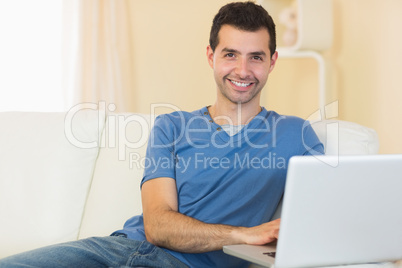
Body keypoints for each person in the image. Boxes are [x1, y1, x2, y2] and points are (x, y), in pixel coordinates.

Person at [0, 1, 323, 268]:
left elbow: (326, 217)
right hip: (114, 249)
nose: (242, 70)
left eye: (256, 57)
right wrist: (245, 234)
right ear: (211, 57)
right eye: (230, 54)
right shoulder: (171, 126)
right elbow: (157, 226)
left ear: (272, 62)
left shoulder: (296, 134)